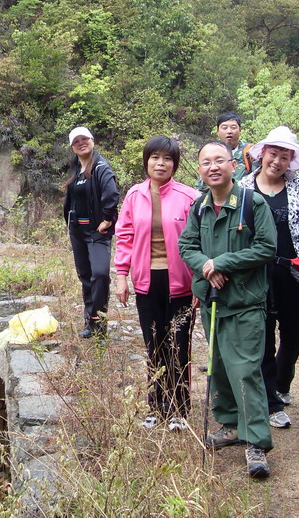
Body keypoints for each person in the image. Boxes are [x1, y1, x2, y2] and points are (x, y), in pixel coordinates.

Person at [178, 141, 277, 479]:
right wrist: (205, 266)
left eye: (219, 160)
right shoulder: (200, 206)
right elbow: (186, 245)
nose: (213, 167)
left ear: (233, 165)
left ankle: (256, 442)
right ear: (200, 170)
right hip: (213, 301)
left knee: (245, 369)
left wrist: (223, 262)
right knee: (218, 364)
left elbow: (266, 247)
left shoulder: (253, 202)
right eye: (206, 162)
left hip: (245, 302)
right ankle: (230, 424)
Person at [241, 126, 299, 429]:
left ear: (290, 160)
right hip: (257, 272)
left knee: (293, 336)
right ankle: (271, 401)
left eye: (284, 156)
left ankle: (281, 383)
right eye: (273, 154)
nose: (277, 161)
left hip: (294, 271)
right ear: (262, 153)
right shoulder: (243, 188)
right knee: (263, 336)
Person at [114, 136, 200, 432]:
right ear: (146, 160)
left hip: (182, 282)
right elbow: (124, 236)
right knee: (154, 343)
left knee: (179, 344)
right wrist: (121, 275)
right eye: (155, 157)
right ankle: (156, 404)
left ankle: (179, 406)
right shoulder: (134, 195)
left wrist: (200, 281)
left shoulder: (189, 196)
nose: (160, 163)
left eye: (167, 158)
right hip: (146, 279)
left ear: (175, 164)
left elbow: (201, 242)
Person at [63, 127, 120, 338]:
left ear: (92, 141)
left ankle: (100, 323)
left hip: (97, 232)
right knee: (86, 276)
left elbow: (111, 192)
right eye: (76, 141)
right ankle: (90, 323)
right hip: (78, 231)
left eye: (84, 139)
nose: (81, 143)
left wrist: (107, 218)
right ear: (72, 147)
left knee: (100, 275)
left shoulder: (101, 167)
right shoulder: (75, 167)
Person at [195, 112, 257, 191]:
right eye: (224, 128)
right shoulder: (210, 152)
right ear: (217, 131)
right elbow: (201, 185)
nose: (229, 131)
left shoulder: (250, 151)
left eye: (233, 127)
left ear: (240, 130)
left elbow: (258, 179)